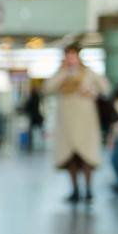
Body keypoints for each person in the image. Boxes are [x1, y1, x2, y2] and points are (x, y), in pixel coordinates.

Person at [48, 43, 105, 203]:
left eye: (73, 55)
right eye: (68, 55)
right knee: (70, 157)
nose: (71, 59)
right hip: (67, 123)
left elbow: (104, 88)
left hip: (86, 121)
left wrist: (91, 91)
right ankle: (74, 190)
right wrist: (63, 73)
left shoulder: (88, 73)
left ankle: (88, 189)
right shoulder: (61, 73)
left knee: (87, 156)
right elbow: (47, 88)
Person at [21, 79, 45, 151]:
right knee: (37, 131)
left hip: (34, 117)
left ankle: (31, 146)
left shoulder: (33, 96)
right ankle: (38, 145)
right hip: (36, 116)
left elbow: (28, 106)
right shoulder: (37, 96)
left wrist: (24, 108)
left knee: (32, 132)